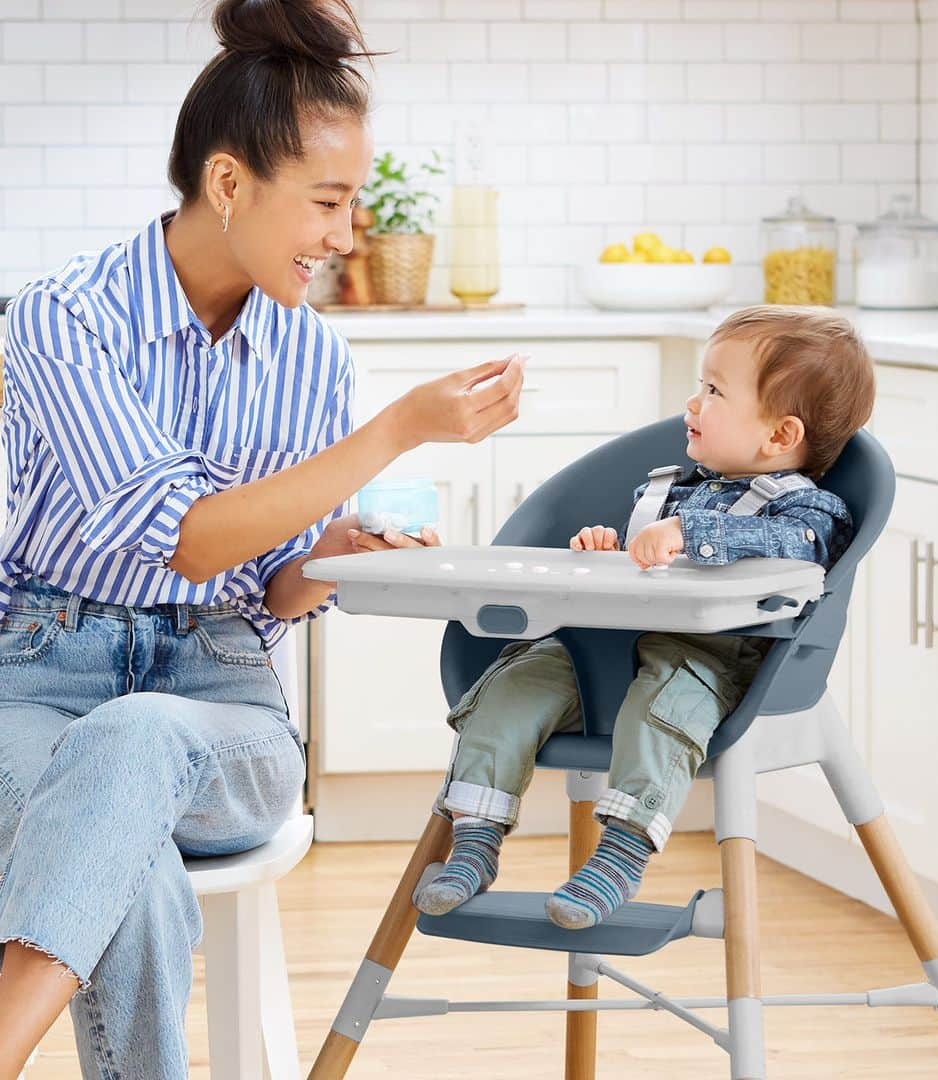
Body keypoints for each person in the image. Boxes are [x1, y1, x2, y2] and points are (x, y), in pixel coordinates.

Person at [0, 2, 523, 1077]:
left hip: (218, 701)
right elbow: (185, 539)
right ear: (230, 184)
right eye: (326, 202)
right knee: (125, 863)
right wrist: (396, 430)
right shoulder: (60, 321)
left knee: (141, 738)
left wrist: (330, 554)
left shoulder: (315, 361)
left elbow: (265, 586)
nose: (346, 237)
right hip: (40, 680)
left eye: (353, 204)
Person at [415, 306, 875, 931]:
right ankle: (475, 840)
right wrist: (606, 551)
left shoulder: (807, 509)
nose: (692, 402)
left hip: (701, 664)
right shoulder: (667, 488)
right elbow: (634, 568)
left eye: (714, 391)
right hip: (594, 655)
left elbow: (799, 546)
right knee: (512, 688)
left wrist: (692, 533)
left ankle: (622, 854)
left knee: (665, 706)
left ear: (779, 436)